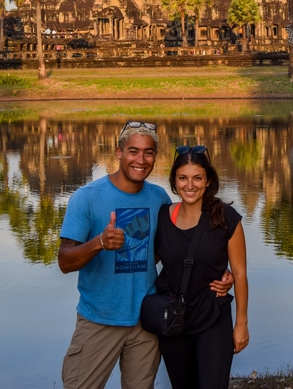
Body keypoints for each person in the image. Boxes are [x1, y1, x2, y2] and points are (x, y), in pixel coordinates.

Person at [57, 122, 232, 389]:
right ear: (119, 152)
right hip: (100, 320)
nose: (141, 160)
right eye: (133, 151)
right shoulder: (87, 198)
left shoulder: (159, 197)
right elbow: (65, 262)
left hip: (147, 322)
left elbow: (179, 248)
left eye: (148, 152)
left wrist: (220, 275)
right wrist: (99, 242)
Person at [154, 145, 249, 389]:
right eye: (183, 178)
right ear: (174, 181)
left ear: (208, 181)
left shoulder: (226, 218)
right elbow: (153, 260)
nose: (190, 185)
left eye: (197, 178)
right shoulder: (163, 217)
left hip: (212, 319)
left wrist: (241, 324)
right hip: (174, 322)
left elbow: (239, 273)